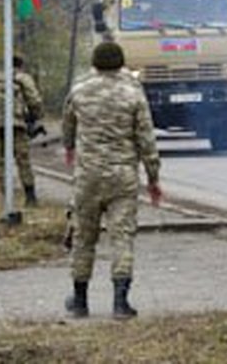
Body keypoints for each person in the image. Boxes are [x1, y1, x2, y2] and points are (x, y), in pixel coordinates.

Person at [62, 41, 162, 319]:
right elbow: (146, 139)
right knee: (122, 237)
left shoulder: (79, 90)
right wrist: (153, 179)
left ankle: (80, 301)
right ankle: (120, 302)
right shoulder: (133, 92)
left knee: (83, 237)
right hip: (122, 177)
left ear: (94, 63)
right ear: (121, 63)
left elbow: (67, 129)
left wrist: (71, 150)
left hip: (88, 176)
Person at [0, 53, 44, 206]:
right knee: (23, 160)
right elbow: (34, 100)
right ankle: (30, 198)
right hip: (16, 123)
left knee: (1, 162)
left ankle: (7, 199)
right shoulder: (22, 77)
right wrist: (37, 117)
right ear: (20, 65)